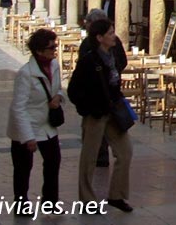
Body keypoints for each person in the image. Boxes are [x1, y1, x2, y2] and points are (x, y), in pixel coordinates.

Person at [67, 19, 133, 212]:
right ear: (99, 37)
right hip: (95, 114)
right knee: (89, 158)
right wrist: (87, 109)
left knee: (125, 152)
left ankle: (117, 195)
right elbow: (73, 90)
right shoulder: (89, 60)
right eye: (110, 33)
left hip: (113, 112)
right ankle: (87, 200)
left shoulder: (113, 55)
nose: (114, 36)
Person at [7, 28, 66, 216]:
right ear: (39, 51)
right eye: (51, 47)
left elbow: (58, 88)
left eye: (55, 46)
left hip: (47, 124)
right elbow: (19, 107)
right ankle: (21, 203)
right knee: (23, 168)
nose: (54, 50)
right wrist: (28, 137)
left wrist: (58, 97)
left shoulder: (55, 65)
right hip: (27, 126)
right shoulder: (25, 74)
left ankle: (50, 202)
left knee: (53, 162)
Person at [79, 9, 127, 168]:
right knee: (91, 149)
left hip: (112, 101)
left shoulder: (113, 42)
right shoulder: (88, 46)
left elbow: (122, 61)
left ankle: (103, 159)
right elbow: (77, 82)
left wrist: (114, 74)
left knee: (125, 152)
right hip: (95, 104)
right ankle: (99, 160)